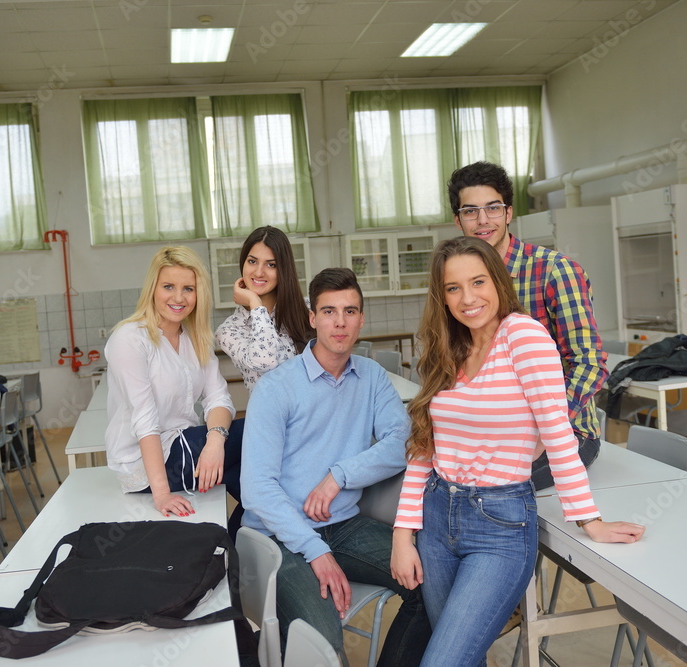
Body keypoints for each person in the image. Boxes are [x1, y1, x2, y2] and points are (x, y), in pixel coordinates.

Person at [390, 237, 644, 666]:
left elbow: (557, 431)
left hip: (499, 525)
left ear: (498, 281)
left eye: (478, 282)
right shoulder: (447, 345)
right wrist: (403, 535)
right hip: (435, 520)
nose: (468, 298)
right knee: (465, 658)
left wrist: (589, 519)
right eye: (453, 288)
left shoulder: (523, 336)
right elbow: (424, 448)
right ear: (442, 296)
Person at [241, 267, 430, 665]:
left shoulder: (372, 377)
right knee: (323, 646)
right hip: (280, 536)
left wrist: (339, 476)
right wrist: (315, 550)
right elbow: (257, 488)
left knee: (432, 585)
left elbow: (403, 442)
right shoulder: (276, 388)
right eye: (329, 311)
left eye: (350, 311)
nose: (340, 322)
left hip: (344, 525)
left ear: (361, 319)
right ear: (313, 319)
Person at [448, 161, 607, 477]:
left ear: (508, 213)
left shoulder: (555, 271)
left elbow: (589, 364)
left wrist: (542, 429)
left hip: (563, 433)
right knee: (440, 479)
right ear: (458, 220)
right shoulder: (461, 280)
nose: (483, 220)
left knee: (486, 487)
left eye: (493, 208)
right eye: (470, 211)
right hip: (494, 430)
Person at [105, 246, 244, 528]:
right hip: (150, 465)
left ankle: (238, 541)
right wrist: (162, 494)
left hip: (188, 446)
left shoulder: (196, 338)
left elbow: (219, 399)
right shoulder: (130, 339)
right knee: (262, 430)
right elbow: (145, 420)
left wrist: (215, 441)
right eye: (168, 286)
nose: (179, 298)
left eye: (188, 289)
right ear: (152, 289)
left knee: (249, 475)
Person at [216, 225, 313, 391]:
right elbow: (265, 360)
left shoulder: (308, 308)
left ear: (284, 269)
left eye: (271, 265)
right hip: (268, 408)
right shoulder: (229, 331)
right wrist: (255, 304)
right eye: (252, 261)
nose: (259, 272)